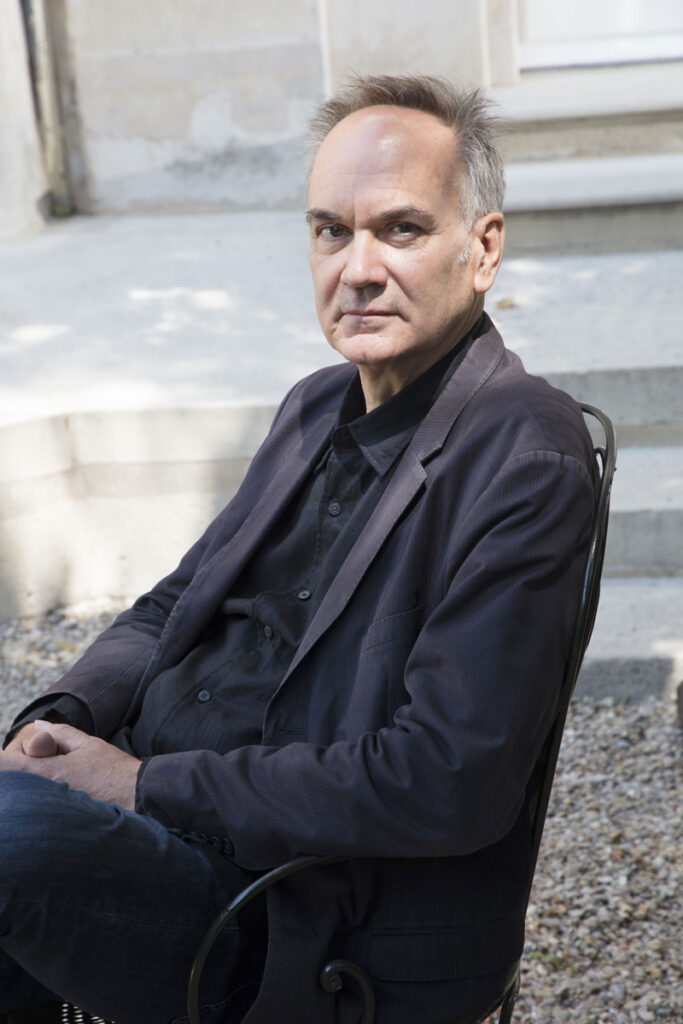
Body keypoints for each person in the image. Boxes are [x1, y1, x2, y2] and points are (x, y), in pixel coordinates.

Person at [0, 75, 597, 1024]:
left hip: (297, 912)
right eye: (330, 231)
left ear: (482, 249)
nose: (357, 268)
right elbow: (172, 604)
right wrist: (58, 721)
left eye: (399, 230)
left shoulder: (524, 453)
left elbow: (448, 778)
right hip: (163, 828)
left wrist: (137, 785)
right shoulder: (316, 403)